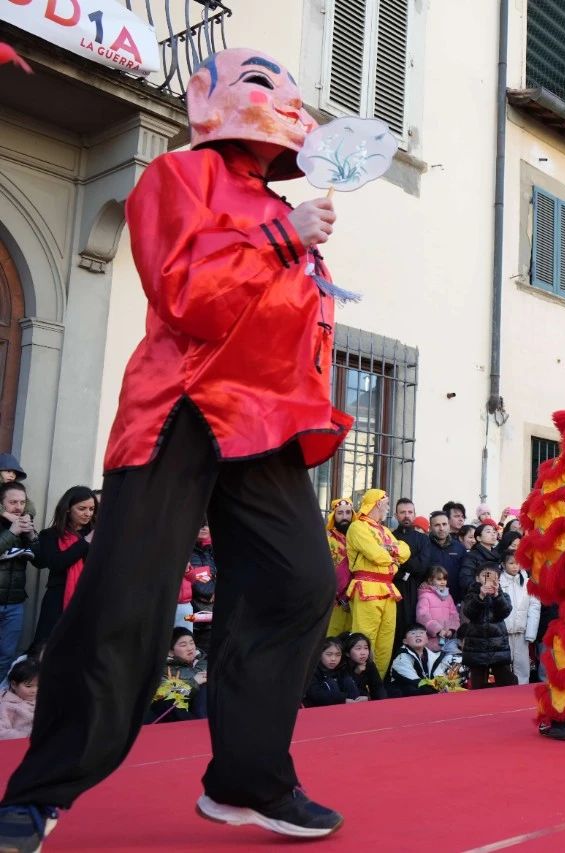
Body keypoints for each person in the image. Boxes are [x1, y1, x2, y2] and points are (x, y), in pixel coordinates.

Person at [0, 48, 353, 848]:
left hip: (264, 421)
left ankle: (247, 777)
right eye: (263, 83)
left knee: (300, 581)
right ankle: (38, 791)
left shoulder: (279, 206)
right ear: (212, 96)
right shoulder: (177, 176)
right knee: (125, 599)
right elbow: (187, 295)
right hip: (181, 406)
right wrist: (284, 237)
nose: (287, 103)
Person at [345, 490, 410, 676]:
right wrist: (392, 553)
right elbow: (376, 554)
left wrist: (389, 550)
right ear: (378, 503)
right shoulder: (357, 527)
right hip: (366, 587)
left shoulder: (385, 530)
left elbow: (406, 551)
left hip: (388, 588)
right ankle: (358, 683)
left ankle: (376, 683)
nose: (388, 507)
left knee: (385, 642)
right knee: (363, 641)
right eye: (386, 503)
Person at [30, 486, 97, 645]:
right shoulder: (50, 535)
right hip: (57, 598)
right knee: (47, 646)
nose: (88, 513)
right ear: (67, 509)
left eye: (91, 509)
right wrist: (85, 542)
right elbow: (56, 563)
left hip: (89, 596)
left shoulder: (98, 533)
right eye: (82, 508)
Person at [0, 483, 37, 682]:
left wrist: (31, 537)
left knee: (6, 656)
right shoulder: (13, 527)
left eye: (22, 502)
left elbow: (41, 561)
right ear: (2, 504)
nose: (18, 507)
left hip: (14, 604)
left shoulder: (25, 525)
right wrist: (12, 532)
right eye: (13, 502)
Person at [459, 567, 515, 689]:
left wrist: (496, 596)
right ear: (477, 578)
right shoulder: (471, 596)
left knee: (507, 682)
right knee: (478, 684)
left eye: (493, 576)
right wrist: (481, 596)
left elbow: (505, 612)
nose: (489, 579)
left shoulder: (503, 595)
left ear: (498, 580)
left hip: (498, 645)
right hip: (476, 646)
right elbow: (469, 613)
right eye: (485, 575)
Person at [391, 499, 432, 647]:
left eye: (410, 512)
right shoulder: (389, 537)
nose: (406, 515)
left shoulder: (423, 539)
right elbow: (387, 564)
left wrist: (400, 560)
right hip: (394, 588)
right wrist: (407, 566)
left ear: (414, 514)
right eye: (402, 512)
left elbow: (422, 565)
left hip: (416, 589)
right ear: (396, 515)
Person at [146, 628, 209, 723]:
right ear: (170, 652)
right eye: (183, 645)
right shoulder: (162, 670)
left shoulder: (205, 662)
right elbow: (163, 698)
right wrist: (194, 682)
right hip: (180, 713)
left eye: (191, 643)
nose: (190, 648)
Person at [498, 553, 540, 684]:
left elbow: (534, 608)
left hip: (521, 632)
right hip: (503, 633)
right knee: (504, 666)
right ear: (503, 564)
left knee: (523, 666)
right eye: (511, 563)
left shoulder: (528, 583)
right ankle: (504, 690)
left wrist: (531, 633)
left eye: (517, 563)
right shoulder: (498, 582)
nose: (515, 566)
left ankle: (522, 690)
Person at [385, 623, 444, 698]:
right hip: (403, 696)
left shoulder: (434, 656)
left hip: (427, 692)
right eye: (413, 633)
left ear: (427, 639)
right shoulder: (401, 658)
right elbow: (415, 682)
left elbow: (439, 678)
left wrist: (443, 686)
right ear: (405, 641)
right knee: (411, 689)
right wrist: (437, 691)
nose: (418, 635)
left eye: (421, 633)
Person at [416, 566, 461, 661]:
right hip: (430, 641)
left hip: (447, 640)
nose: (443, 582)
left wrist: (451, 629)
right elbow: (422, 616)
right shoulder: (425, 596)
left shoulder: (448, 596)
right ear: (430, 580)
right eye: (439, 579)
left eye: (445, 579)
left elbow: (454, 615)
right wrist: (437, 630)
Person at [421, 512, 467, 603]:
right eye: (437, 525)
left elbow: (464, 574)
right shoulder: (424, 546)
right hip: (430, 601)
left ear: (449, 525)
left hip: (454, 600)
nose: (441, 528)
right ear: (430, 528)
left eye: (444, 524)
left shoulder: (459, 548)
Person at [302, 638, 362, 707]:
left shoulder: (342, 668)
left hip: (348, 705)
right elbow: (315, 694)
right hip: (319, 708)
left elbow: (354, 687)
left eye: (338, 655)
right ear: (319, 654)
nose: (333, 659)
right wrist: (343, 699)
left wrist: (364, 696)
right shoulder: (312, 670)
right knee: (330, 682)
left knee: (348, 680)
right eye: (329, 654)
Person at [325, 498, 355, 636]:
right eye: (340, 513)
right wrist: (339, 596)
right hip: (334, 599)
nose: (344, 517)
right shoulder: (327, 539)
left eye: (348, 512)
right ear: (333, 516)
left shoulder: (358, 537)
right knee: (332, 638)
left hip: (356, 596)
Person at [187, 524, 216, 652]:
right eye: (199, 524)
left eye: (206, 525)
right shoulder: (185, 551)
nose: (204, 528)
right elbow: (201, 587)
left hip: (211, 613)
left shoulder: (211, 550)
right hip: (192, 614)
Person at [460, 520, 502, 594]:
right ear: (479, 538)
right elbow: (465, 579)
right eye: (488, 532)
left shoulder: (497, 555)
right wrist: (482, 588)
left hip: (496, 595)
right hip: (478, 596)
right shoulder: (471, 556)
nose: (493, 534)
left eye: (494, 532)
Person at [0, 660, 38, 742]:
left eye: (39, 685)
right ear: (14, 685)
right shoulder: (7, 706)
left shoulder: (42, 700)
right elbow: (2, 732)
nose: (34, 690)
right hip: (20, 745)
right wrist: (27, 736)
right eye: (28, 686)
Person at [342, 633, 386, 701]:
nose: (363, 653)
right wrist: (356, 674)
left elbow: (378, 687)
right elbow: (346, 690)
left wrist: (369, 698)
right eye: (358, 648)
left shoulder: (369, 664)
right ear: (347, 653)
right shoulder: (342, 666)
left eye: (366, 648)